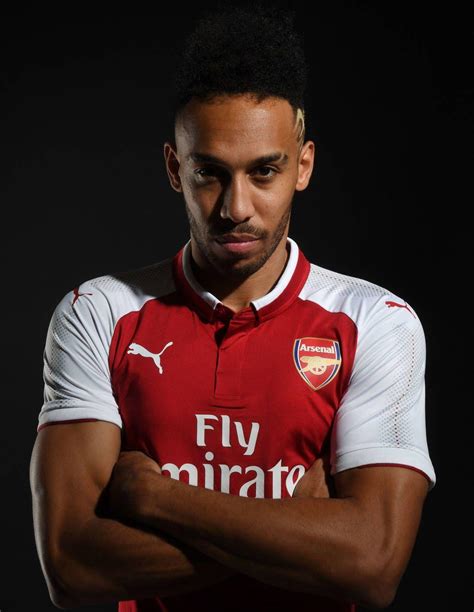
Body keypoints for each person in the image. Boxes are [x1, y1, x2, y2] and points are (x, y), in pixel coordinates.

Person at [30, 5, 436, 611]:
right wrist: (295, 525)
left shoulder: (376, 321)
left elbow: (371, 565)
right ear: (175, 168)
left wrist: (158, 499)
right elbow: (71, 567)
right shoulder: (97, 313)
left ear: (303, 166)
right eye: (210, 174)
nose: (236, 208)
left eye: (264, 171)